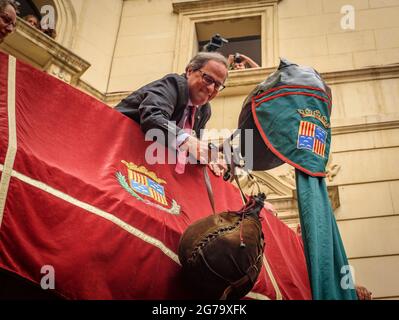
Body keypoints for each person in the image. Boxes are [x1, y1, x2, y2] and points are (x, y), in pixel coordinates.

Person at [115, 52, 228, 176]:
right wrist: (190, 142)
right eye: (207, 79)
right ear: (189, 71)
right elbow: (152, 117)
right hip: (113, 144)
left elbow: (190, 148)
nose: (211, 88)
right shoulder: (173, 83)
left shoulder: (205, 110)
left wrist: (208, 158)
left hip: (143, 164)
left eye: (217, 85)